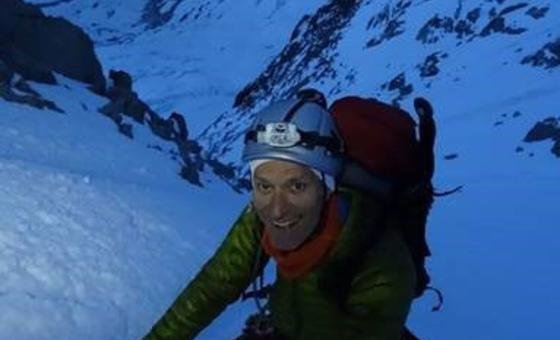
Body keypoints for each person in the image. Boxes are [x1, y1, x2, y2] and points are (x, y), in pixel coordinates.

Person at [144, 97, 417, 339]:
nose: (276, 210)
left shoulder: (382, 263)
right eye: (264, 186)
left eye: (297, 186)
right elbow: (214, 286)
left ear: (327, 188)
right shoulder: (260, 214)